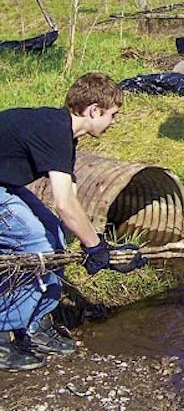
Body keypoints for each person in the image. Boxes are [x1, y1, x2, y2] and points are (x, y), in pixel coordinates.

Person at [0, 73, 146, 371]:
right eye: (112, 114)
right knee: (36, 246)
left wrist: (99, 245)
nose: (114, 122)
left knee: (54, 235)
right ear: (93, 110)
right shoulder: (55, 129)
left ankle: (36, 324)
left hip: (5, 184)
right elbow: (65, 204)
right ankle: (4, 336)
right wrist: (95, 248)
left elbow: (71, 197)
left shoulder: (65, 133)